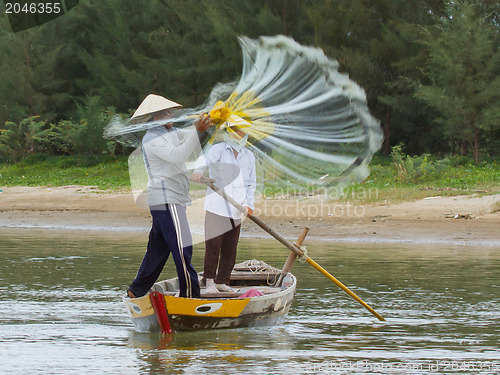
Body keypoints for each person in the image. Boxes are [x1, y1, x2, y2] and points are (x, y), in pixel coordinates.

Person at [127, 94, 213, 299]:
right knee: (183, 247)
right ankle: (190, 294)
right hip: (167, 200)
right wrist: (196, 130)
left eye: (170, 112)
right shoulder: (152, 138)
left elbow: (189, 136)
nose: (171, 115)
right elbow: (178, 155)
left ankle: (136, 290)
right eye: (167, 113)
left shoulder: (172, 131)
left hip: (170, 200)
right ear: (156, 117)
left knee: (157, 250)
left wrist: (206, 123)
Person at [191, 123, 256, 293]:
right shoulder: (219, 149)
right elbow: (204, 160)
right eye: (234, 130)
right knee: (213, 244)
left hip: (237, 208)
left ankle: (222, 281)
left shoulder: (249, 156)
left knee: (230, 246)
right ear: (229, 132)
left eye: (241, 131)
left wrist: (249, 205)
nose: (238, 134)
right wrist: (198, 172)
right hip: (216, 205)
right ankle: (210, 280)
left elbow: (251, 184)